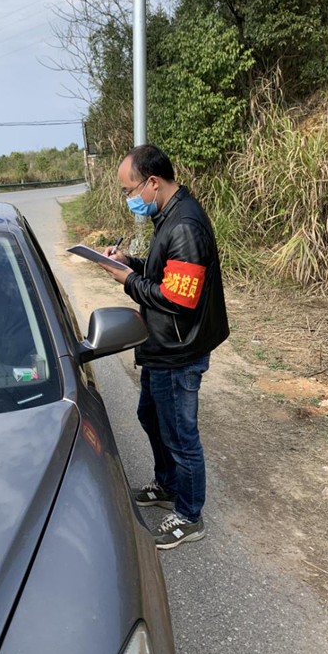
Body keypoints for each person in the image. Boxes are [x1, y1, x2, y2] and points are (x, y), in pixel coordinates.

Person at [101, 144, 229, 549]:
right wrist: (130, 263)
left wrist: (126, 280)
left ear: (152, 182)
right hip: (162, 345)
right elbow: (164, 273)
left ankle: (189, 515)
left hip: (179, 350)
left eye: (130, 190)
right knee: (151, 416)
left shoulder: (185, 225)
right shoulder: (168, 216)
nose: (129, 198)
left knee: (179, 434)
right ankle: (168, 484)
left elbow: (178, 299)